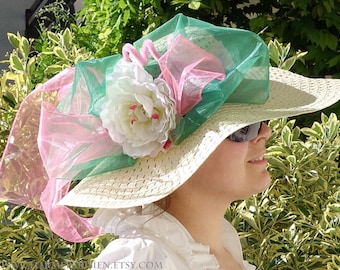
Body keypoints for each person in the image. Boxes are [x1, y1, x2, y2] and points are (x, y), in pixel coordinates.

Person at [0, 14, 339, 269]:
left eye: (259, 122)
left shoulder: (221, 242)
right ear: (180, 152)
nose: (265, 133)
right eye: (244, 128)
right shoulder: (140, 259)